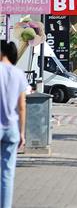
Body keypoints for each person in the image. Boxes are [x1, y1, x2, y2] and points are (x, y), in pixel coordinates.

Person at [0, 41, 27, 208]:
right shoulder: (18, 73)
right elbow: (22, 106)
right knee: (7, 174)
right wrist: (22, 132)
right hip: (11, 128)